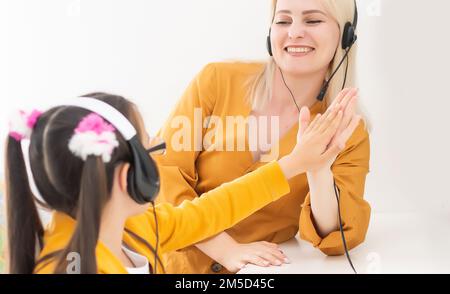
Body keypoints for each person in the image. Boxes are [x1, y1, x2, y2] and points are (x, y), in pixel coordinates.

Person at [5, 92, 352, 274]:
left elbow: (209, 211)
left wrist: (293, 163)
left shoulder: (134, 226)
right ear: (129, 176)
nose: (158, 150)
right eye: (149, 144)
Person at [156, 0, 370, 273]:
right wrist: (224, 249)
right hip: (164, 263)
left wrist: (319, 171)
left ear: (346, 35)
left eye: (313, 20)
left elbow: (336, 234)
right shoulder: (217, 81)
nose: (294, 32)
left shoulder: (348, 131)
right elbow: (161, 173)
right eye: (283, 21)